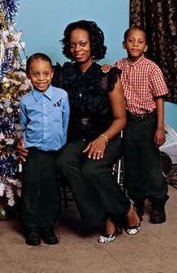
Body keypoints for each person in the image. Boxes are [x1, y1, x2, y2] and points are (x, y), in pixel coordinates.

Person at [51, 20, 140, 243]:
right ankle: (103, 217)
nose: (77, 49)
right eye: (72, 45)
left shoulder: (108, 76)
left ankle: (126, 209)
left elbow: (121, 119)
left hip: (108, 135)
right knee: (63, 162)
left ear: (93, 45)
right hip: (77, 137)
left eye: (82, 44)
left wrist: (102, 139)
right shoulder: (62, 76)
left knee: (91, 169)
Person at [114, 26, 169, 224]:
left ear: (145, 47)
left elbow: (160, 99)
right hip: (128, 123)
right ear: (124, 44)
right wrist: (105, 70)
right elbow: (109, 81)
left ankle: (158, 202)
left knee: (151, 165)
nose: (135, 44)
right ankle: (135, 200)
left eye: (139, 41)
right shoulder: (118, 66)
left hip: (148, 122)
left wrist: (160, 128)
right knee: (132, 164)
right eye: (131, 40)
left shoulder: (152, 68)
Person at [18, 53, 70, 246]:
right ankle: (31, 227)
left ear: (52, 74)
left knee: (50, 190)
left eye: (45, 73)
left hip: (54, 152)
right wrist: (21, 143)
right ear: (29, 76)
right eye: (36, 74)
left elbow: (65, 123)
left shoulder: (61, 96)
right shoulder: (25, 102)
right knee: (31, 189)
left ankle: (48, 226)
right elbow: (22, 127)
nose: (41, 78)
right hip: (33, 152)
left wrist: (62, 146)